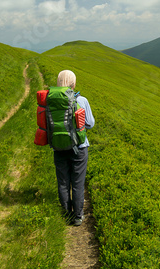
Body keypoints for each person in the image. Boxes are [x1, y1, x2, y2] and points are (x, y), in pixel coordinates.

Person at [53, 70, 95, 226]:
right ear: (73, 83)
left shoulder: (51, 101)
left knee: (63, 182)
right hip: (79, 147)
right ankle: (78, 217)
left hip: (58, 147)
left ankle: (66, 215)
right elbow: (90, 124)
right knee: (78, 182)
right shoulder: (81, 100)